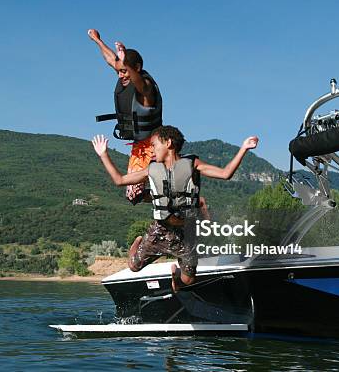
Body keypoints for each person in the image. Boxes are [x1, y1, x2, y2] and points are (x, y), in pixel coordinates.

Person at [92, 125, 258, 292]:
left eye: (154, 145)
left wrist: (244, 148)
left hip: (186, 233)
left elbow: (225, 173)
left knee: (189, 279)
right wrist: (103, 154)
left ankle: (177, 278)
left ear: (168, 143)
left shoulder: (192, 164)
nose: (151, 150)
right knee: (133, 266)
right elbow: (119, 180)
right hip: (160, 230)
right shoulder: (152, 169)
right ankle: (137, 243)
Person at [88, 29, 162, 205]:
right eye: (119, 71)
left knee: (148, 190)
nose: (120, 75)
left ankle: (177, 200)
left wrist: (126, 58)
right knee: (133, 196)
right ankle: (167, 198)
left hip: (154, 147)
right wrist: (97, 40)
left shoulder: (146, 89)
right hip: (138, 146)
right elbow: (110, 60)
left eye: (124, 71)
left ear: (135, 68)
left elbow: (137, 79)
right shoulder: (125, 76)